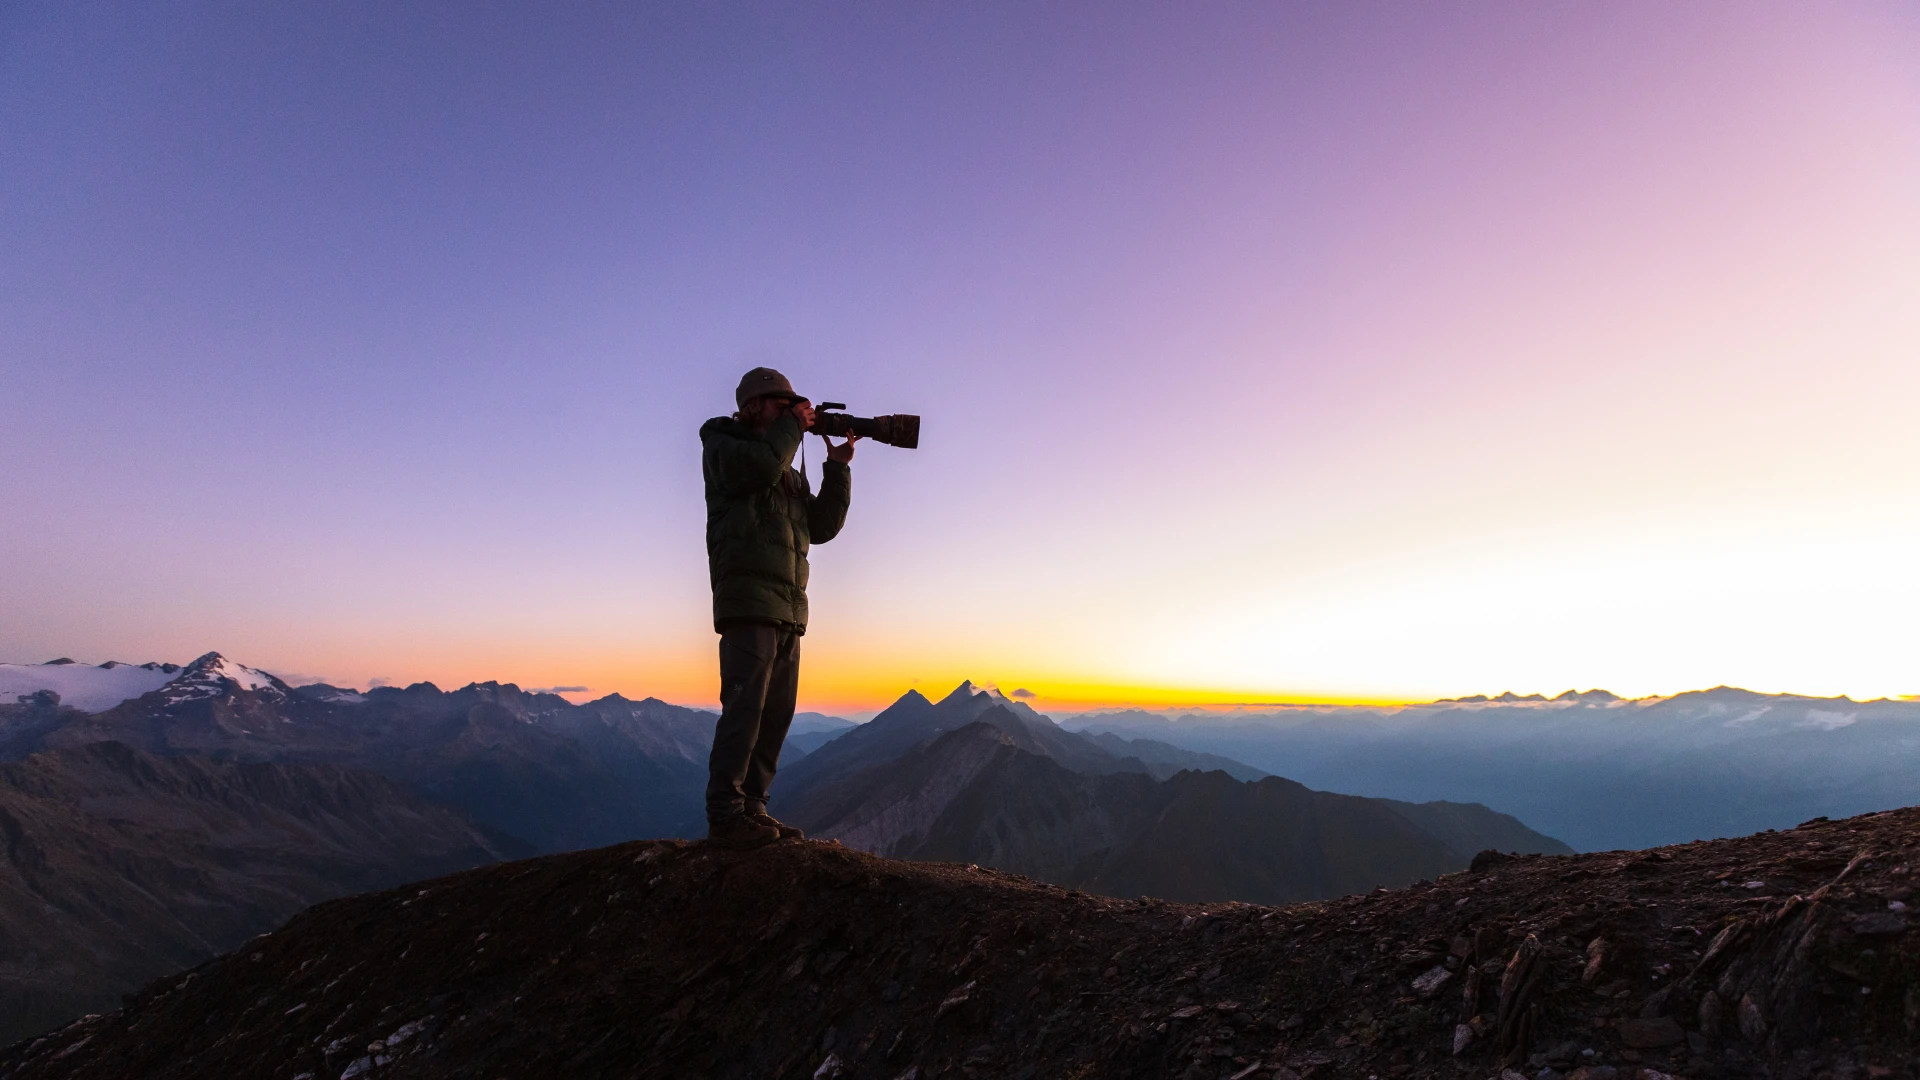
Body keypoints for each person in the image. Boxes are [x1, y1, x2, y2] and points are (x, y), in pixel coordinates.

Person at [697, 367, 855, 849]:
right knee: (745, 709)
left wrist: (837, 468)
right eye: (781, 404)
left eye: (793, 407)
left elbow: (821, 528)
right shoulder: (724, 448)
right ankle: (726, 816)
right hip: (748, 600)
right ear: (753, 406)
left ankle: (753, 808)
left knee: (777, 712)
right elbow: (759, 467)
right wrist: (793, 428)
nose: (791, 412)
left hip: (788, 606)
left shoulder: (785, 469)